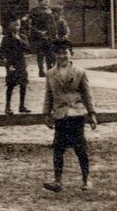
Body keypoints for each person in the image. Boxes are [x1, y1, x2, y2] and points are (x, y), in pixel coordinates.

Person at [42, 40, 99, 191]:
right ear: (55, 55)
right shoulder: (50, 74)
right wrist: (46, 114)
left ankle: (86, 179)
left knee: (80, 148)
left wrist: (92, 114)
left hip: (76, 114)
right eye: (59, 53)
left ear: (70, 53)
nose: (62, 56)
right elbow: (48, 95)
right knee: (58, 148)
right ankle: (58, 181)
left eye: (65, 52)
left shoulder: (80, 72)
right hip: (60, 115)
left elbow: (87, 94)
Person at [0, 18, 31, 113]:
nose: (16, 27)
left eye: (18, 25)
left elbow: (28, 49)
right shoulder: (6, 38)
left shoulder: (22, 37)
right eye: (14, 25)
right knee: (10, 85)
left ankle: (22, 106)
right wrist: (7, 63)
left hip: (21, 64)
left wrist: (19, 40)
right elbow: (2, 51)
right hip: (11, 64)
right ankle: (7, 107)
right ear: (10, 26)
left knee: (23, 85)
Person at [29, 0, 60, 76]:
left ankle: (49, 70)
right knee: (40, 53)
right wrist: (38, 31)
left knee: (50, 54)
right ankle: (41, 70)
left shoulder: (50, 11)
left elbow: (53, 24)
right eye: (44, 1)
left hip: (49, 35)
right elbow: (29, 23)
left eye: (48, 1)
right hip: (38, 36)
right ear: (39, 2)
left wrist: (55, 33)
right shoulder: (34, 11)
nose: (46, 3)